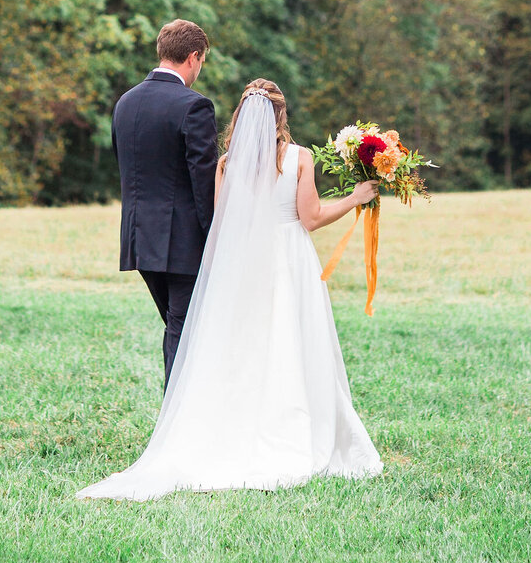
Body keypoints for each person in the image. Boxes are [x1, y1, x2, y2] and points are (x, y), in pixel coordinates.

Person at [79, 78, 383, 500]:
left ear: (241, 116)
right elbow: (310, 218)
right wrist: (356, 196)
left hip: (242, 264)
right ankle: (295, 427)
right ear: (281, 116)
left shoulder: (226, 164)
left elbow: (221, 222)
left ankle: (238, 425)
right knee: (293, 342)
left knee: (246, 346)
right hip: (289, 260)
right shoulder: (299, 157)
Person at [110, 18, 218, 387]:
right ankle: (177, 428)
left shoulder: (125, 103)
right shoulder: (194, 106)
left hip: (140, 241)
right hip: (184, 242)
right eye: (202, 61)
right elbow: (203, 184)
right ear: (193, 56)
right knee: (184, 331)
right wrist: (217, 237)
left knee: (179, 326)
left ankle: (187, 416)